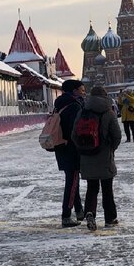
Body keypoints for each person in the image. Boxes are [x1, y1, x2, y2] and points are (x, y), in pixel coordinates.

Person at [79, 85, 123, 231]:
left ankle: (90, 212)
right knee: (107, 189)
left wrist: (83, 148)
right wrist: (111, 148)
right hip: (104, 156)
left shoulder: (83, 111)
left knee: (92, 188)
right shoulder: (109, 112)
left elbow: (74, 134)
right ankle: (110, 219)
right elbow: (117, 136)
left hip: (87, 156)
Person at [53, 79, 86, 227]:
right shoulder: (74, 106)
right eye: (81, 89)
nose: (83, 92)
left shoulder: (60, 103)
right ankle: (66, 215)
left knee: (73, 181)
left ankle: (79, 211)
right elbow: (76, 130)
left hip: (62, 147)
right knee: (72, 182)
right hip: (71, 148)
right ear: (74, 91)